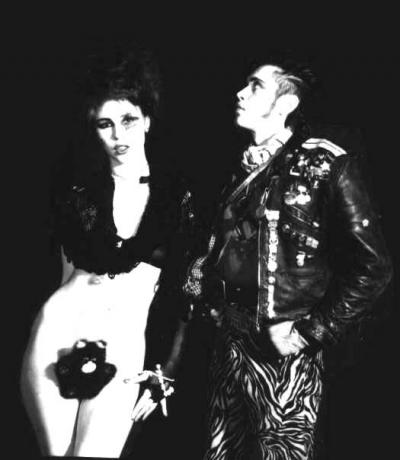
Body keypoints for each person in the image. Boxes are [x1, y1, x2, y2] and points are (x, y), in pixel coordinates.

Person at [181, 55, 393, 459]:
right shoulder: (235, 167)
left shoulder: (324, 164)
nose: (240, 93)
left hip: (282, 352)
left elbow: (374, 268)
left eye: (255, 86)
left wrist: (307, 333)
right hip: (229, 341)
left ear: (286, 103)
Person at [20, 46, 180, 458]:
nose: (118, 136)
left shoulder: (175, 197)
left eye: (128, 120)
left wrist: (167, 370)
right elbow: (63, 271)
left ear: (147, 119)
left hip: (123, 344)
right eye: (105, 124)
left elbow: (188, 292)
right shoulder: (77, 190)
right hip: (58, 329)